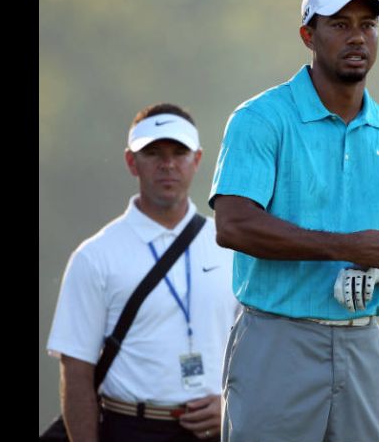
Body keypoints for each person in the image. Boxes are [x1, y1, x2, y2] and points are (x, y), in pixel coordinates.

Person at [209, 0, 379, 442]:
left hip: (363, 345)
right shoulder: (261, 119)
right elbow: (233, 225)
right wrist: (346, 248)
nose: (357, 36)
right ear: (308, 35)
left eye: (367, 25)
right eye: (339, 24)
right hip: (277, 339)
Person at [46, 103, 242, 441]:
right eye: (152, 152)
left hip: (220, 427)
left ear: (197, 160)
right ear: (130, 162)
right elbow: (76, 371)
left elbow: (256, 346)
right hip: (130, 426)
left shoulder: (231, 248)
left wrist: (233, 406)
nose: (167, 164)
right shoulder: (94, 256)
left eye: (178, 152)